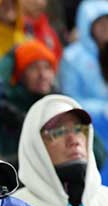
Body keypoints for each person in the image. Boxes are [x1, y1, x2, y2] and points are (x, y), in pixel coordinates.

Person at [0, 38, 59, 166]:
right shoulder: (4, 106)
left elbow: (98, 153)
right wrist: (10, 58)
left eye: (47, 68)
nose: (42, 75)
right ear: (21, 75)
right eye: (34, 68)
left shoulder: (58, 103)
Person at [59, 1, 108, 144]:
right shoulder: (73, 57)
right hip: (88, 129)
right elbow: (69, 99)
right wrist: (102, 109)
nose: (106, 28)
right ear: (87, 25)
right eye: (100, 23)